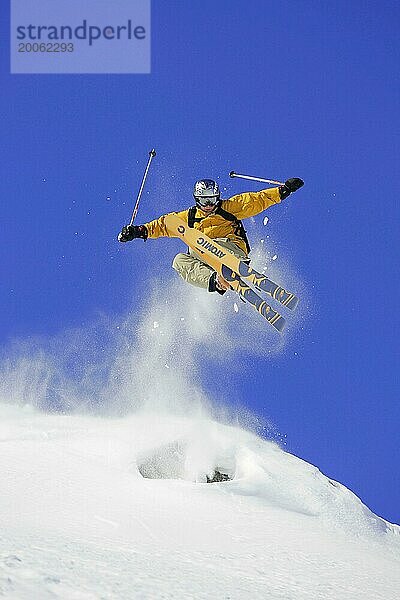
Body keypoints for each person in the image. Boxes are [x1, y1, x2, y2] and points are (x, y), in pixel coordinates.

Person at [118, 177, 304, 294]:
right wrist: (137, 231)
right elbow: (163, 225)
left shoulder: (228, 208)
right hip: (205, 254)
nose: (208, 205)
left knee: (202, 244)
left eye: (212, 200)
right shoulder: (189, 216)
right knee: (179, 260)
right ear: (196, 200)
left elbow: (255, 201)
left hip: (230, 247)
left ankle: (232, 264)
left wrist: (283, 190)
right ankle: (217, 280)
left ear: (218, 197)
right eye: (203, 200)